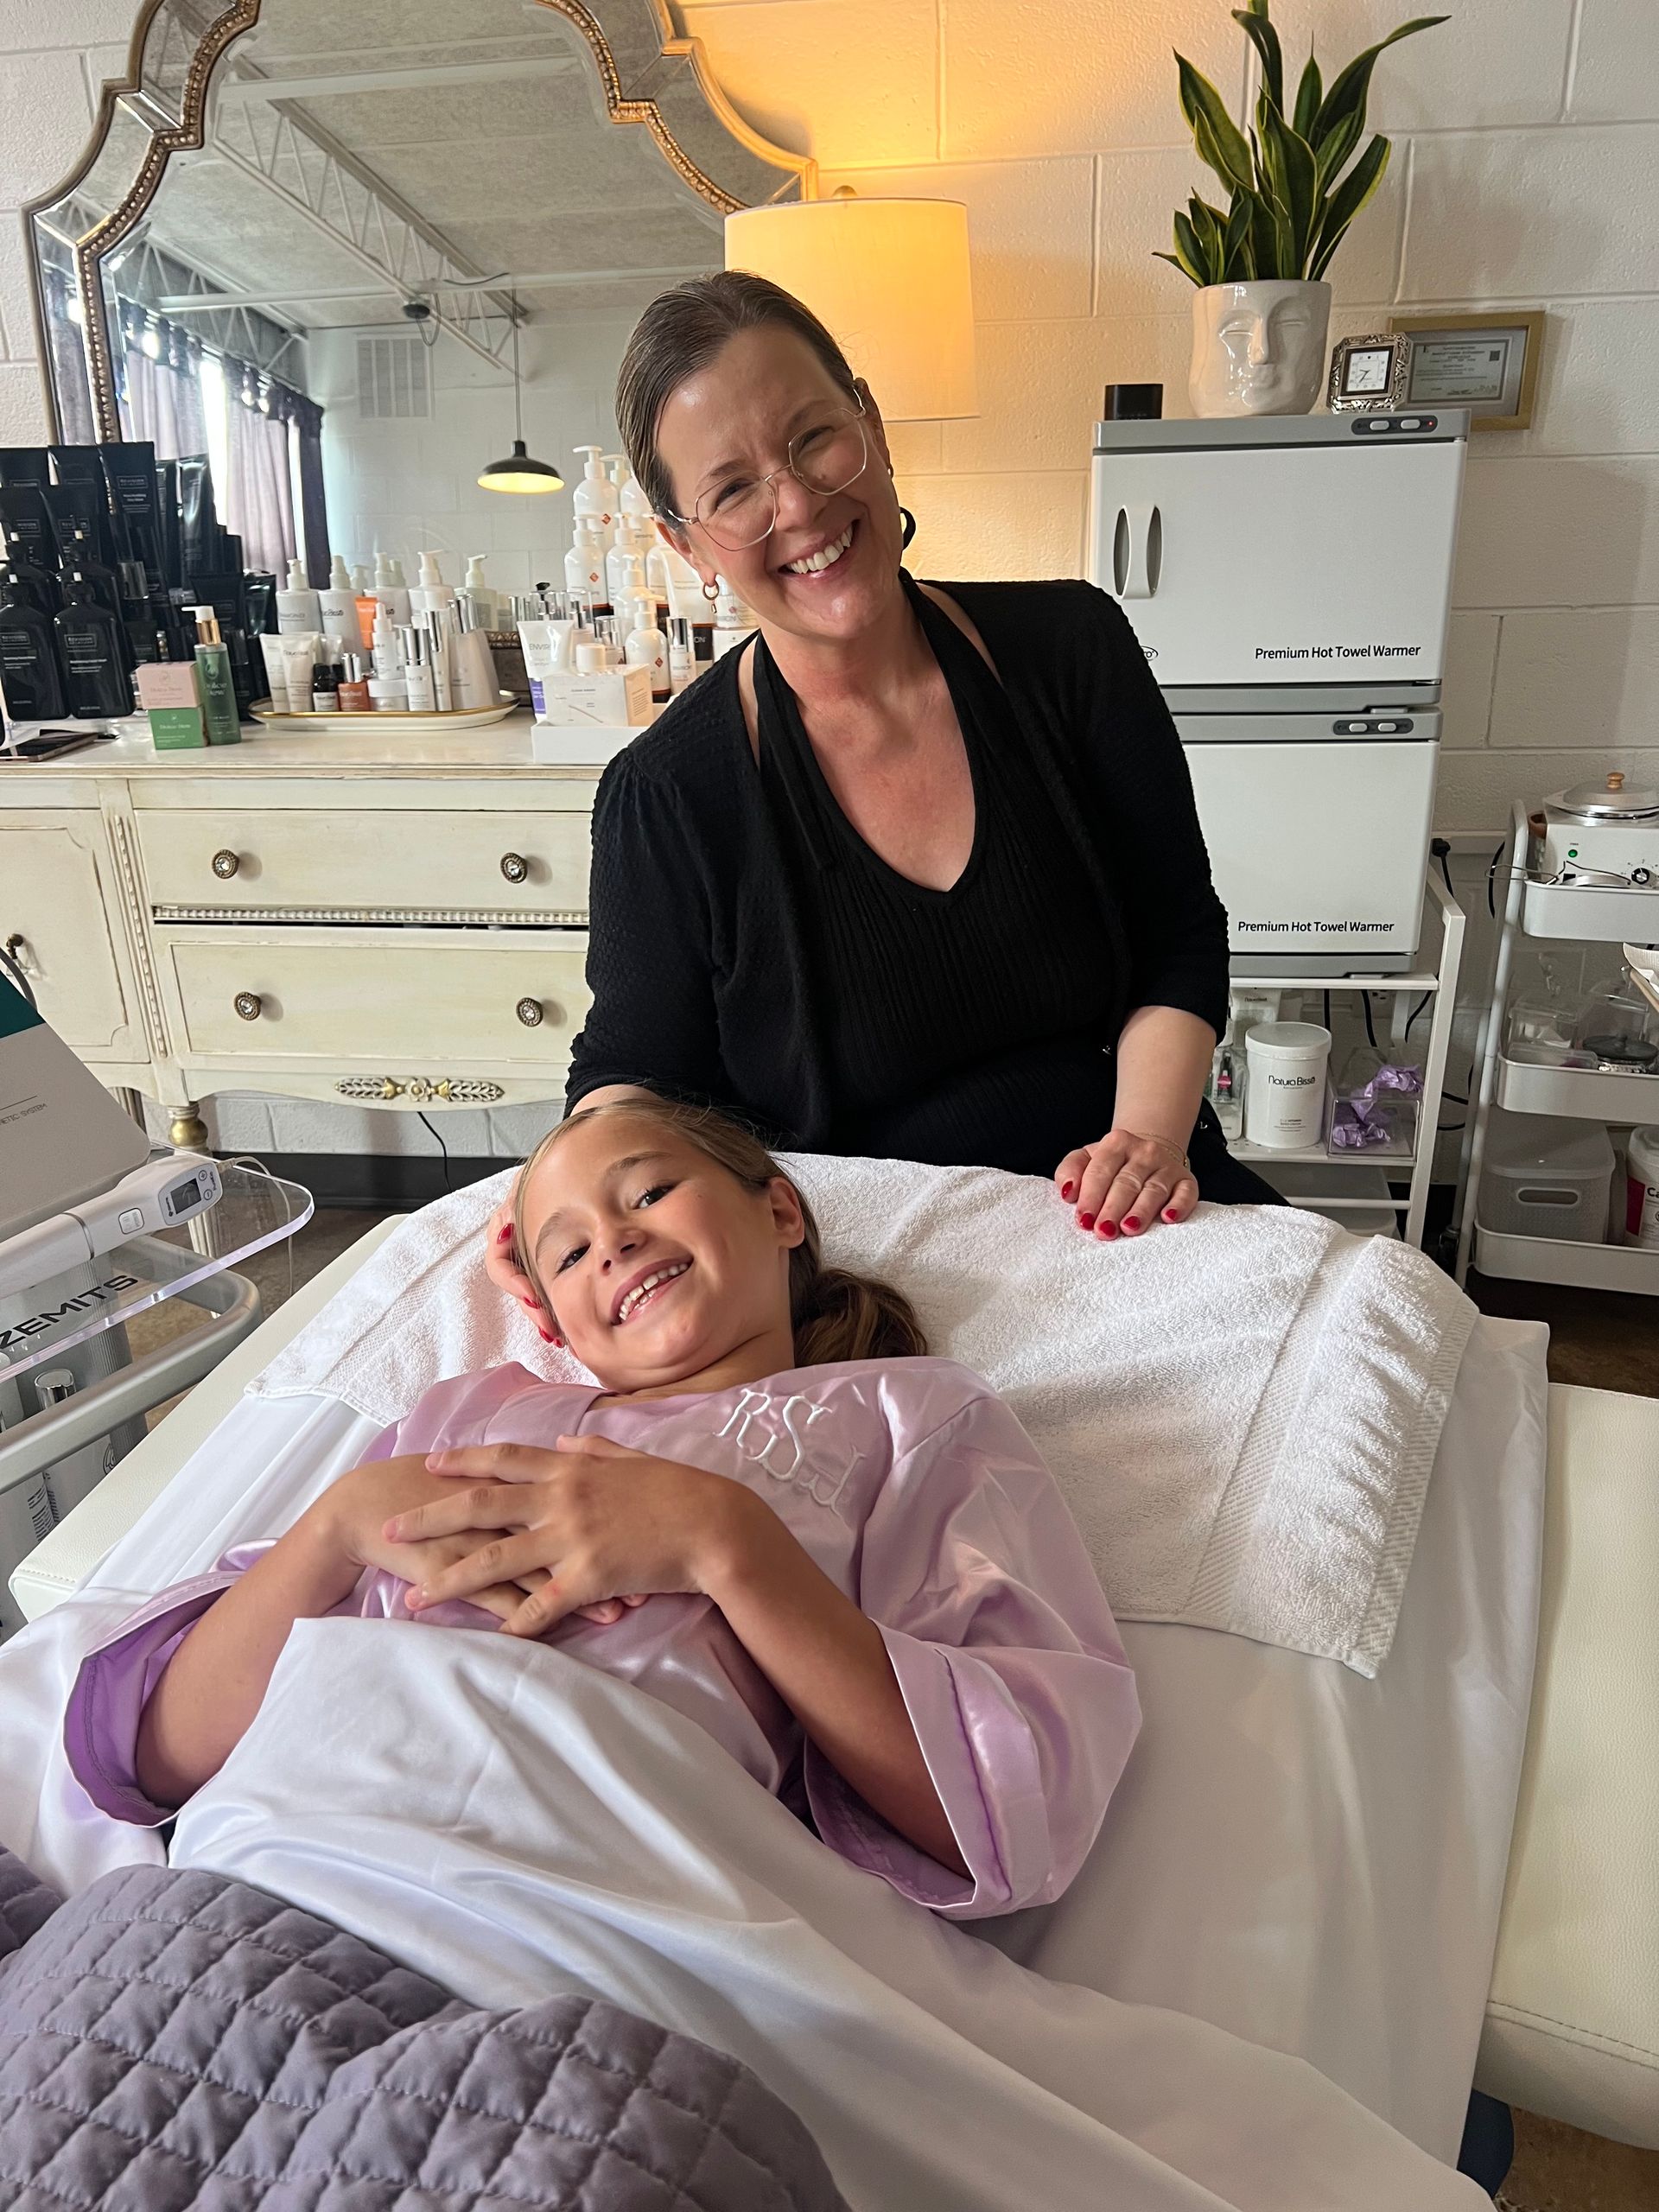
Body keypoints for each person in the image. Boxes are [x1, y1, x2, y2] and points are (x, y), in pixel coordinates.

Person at [64, 1098, 1140, 1921]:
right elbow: (142, 1752)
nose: (613, 1241)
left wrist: (727, 1543)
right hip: (282, 1856)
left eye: (646, 1192)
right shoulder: (471, 1409)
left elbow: (1009, 1810)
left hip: (590, 1892)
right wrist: (341, 1519)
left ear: (776, 1207)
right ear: (556, 1319)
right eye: (569, 1250)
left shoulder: (906, 1412)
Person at [488, 271, 1277, 1323]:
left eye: (814, 437)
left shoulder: (1072, 651)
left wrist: (1147, 1139)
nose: (801, 506)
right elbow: (638, 1070)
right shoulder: (665, 797)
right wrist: (558, 1203)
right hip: (873, 1271)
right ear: (685, 542)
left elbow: (1178, 929)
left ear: (869, 419)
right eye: (733, 490)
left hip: (1123, 1201)